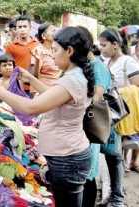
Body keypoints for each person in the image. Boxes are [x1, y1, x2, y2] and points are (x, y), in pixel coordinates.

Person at [0, 26, 95, 207]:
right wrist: (31, 79)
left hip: (68, 157)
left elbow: (31, 107)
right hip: (67, 154)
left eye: (55, 51)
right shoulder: (74, 75)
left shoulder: (73, 79)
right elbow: (54, 96)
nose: (53, 55)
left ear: (70, 51)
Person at [99, 28, 139, 206]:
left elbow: (136, 88)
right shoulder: (106, 61)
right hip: (109, 113)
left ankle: (117, 198)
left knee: (114, 155)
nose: (102, 49)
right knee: (111, 155)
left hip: (119, 114)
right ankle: (115, 192)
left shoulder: (128, 62)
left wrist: (116, 93)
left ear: (115, 45)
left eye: (104, 45)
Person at [77, 26, 111, 207]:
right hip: (81, 129)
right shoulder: (84, 66)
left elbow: (94, 100)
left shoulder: (98, 68)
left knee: (87, 176)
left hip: (90, 128)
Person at [6, 15, 39, 93]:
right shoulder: (10, 47)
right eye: (20, 27)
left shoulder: (37, 44)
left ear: (30, 28)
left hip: (34, 86)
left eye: (25, 26)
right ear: (16, 29)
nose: (22, 29)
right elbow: (8, 67)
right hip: (17, 86)